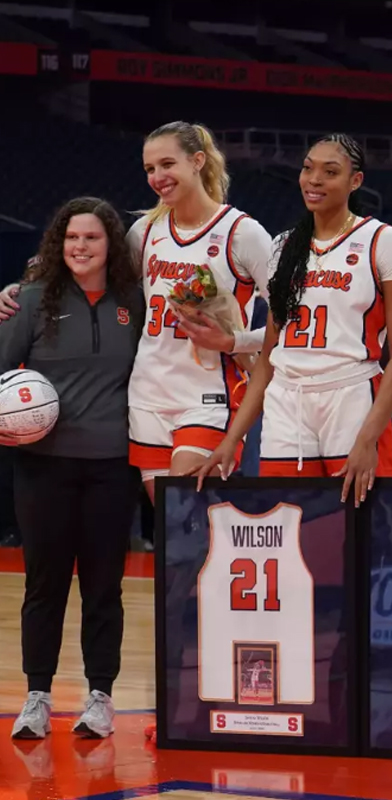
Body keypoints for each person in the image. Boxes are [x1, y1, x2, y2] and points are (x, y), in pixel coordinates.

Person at [0, 124, 273, 498]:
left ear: (197, 161)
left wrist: (234, 340)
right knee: (170, 530)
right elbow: (91, 277)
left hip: (208, 395)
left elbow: (291, 323)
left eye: (166, 164)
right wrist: (22, 287)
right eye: (149, 169)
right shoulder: (145, 231)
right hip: (147, 395)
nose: (157, 177)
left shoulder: (242, 233)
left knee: (184, 516)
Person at [197, 134, 392, 505]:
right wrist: (231, 439)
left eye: (330, 172)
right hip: (288, 401)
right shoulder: (284, 246)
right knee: (293, 530)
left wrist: (368, 440)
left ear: (355, 181)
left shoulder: (384, 240)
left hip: (352, 395)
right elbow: (269, 355)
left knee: (358, 533)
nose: (314, 179)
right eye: (307, 168)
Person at [1, 198, 144, 739]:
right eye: (71, 238)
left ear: (111, 244)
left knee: (104, 586)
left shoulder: (136, 301)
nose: (80, 247)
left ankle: (101, 697)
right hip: (43, 467)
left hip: (112, 466)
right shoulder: (31, 302)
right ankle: (37, 697)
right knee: (45, 584)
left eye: (92, 238)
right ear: (58, 245)